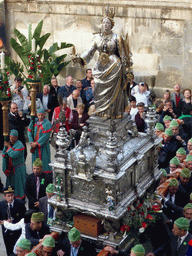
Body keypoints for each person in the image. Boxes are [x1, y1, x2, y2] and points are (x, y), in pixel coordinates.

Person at [74, 13, 128, 119]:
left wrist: (127, 70)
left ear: (112, 25)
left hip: (114, 66)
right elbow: (89, 51)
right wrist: (80, 58)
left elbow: (123, 55)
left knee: (114, 91)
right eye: (104, 23)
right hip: (100, 67)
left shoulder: (117, 37)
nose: (105, 25)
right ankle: (101, 111)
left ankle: (113, 112)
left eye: (108, 23)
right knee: (98, 87)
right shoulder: (96, 37)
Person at [0, 186, 26, 256]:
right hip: (7, 231)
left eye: (12, 195)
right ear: (5, 197)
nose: (10, 198)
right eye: (8, 196)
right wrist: (4, 222)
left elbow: (24, 217)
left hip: (17, 231)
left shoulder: (20, 203)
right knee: (9, 249)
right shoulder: (1, 205)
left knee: (18, 249)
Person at [2, 129, 26, 199]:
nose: (11, 139)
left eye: (13, 137)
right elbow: (4, 153)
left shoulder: (20, 145)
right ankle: (10, 197)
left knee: (19, 184)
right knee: (11, 184)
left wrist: (9, 147)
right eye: (10, 137)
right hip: (11, 169)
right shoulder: (8, 143)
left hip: (18, 169)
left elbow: (13, 155)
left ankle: (20, 197)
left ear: (16, 137)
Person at [28, 108, 52, 174]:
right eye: (39, 115)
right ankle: (36, 172)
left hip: (43, 147)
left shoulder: (47, 124)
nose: (40, 117)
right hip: (35, 147)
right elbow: (29, 132)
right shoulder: (34, 122)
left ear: (44, 115)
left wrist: (37, 143)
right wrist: (31, 142)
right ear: (37, 115)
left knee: (44, 160)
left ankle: (45, 173)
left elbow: (45, 136)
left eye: (42, 115)